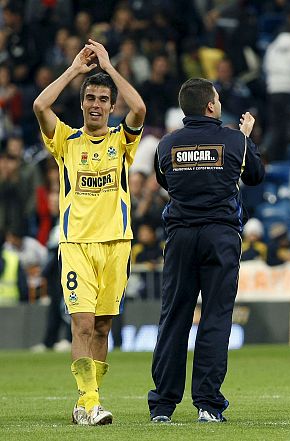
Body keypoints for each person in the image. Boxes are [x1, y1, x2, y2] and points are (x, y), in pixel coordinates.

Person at [32, 39, 146, 425]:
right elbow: (40, 105)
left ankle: (86, 403)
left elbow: (140, 108)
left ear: (111, 107)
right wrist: (74, 70)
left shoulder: (122, 140)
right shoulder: (66, 140)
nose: (96, 105)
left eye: (103, 99)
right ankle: (90, 401)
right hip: (77, 244)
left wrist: (110, 68)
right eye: (91, 98)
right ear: (82, 103)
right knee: (82, 322)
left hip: (117, 243)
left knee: (102, 327)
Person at [148, 78, 264, 423]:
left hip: (180, 237)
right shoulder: (233, 140)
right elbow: (255, 176)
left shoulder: (166, 144)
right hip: (220, 236)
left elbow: (165, 181)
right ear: (211, 106)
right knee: (215, 317)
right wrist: (246, 138)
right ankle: (208, 405)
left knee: (174, 318)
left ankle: (162, 407)